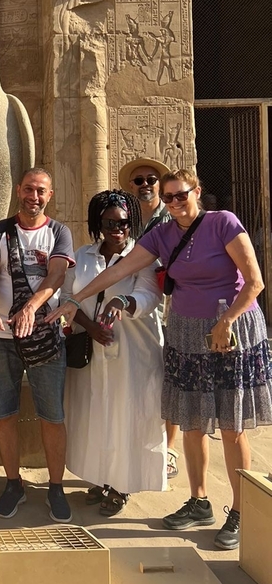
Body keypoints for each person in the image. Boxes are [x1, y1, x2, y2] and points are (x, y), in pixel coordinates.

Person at [49, 168, 272, 550]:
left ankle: (241, 511)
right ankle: (199, 501)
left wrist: (227, 321)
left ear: (196, 191)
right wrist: (74, 299)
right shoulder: (162, 235)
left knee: (231, 424)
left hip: (229, 328)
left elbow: (255, 282)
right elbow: (121, 269)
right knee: (192, 421)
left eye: (181, 195)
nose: (175, 203)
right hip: (186, 330)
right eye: (168, 198)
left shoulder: (222, 223)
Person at [0, 168, 75, 522]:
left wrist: (31, 307)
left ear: (50, 195)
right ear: (19, 190)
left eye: (41, 191)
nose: (34, 196)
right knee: (4, 413)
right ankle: (13, 482)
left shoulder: (58, 232)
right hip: (1, 336)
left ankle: (56, 486)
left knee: (52, 415)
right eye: (29, 189)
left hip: (44, 335)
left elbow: (57, 274)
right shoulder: (0, 231)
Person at [62, 190, 165, 516]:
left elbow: (149, 295)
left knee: (126, 416)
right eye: (109, 223)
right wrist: (90, 327)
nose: (117, 229)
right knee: (95, 414)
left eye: (123, 222)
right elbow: (67, 297)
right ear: (99, 224)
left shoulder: (143, 256)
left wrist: (124, 302)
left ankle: (122, 484)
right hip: (92, 349)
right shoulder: (83, 256)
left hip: (134, 352)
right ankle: (100, 477)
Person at [119, 156, 180, 480]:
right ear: (131, 186)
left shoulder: (173, 219)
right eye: (139, 180)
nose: (145, 185)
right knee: (141, 382)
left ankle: (169, 448)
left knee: (170, 381)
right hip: (136, 310)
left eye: (151, 180)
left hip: (172, 309)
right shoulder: (124, 220)